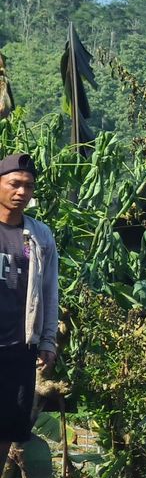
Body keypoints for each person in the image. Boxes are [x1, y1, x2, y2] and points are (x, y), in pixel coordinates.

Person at [0, 154, 57, 448]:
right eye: (15, 184)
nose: (22, 192)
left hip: (19, 349)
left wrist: (47, 340)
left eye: (29, 186)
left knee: (6, 431)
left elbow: (49, 290)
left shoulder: (39, 235)